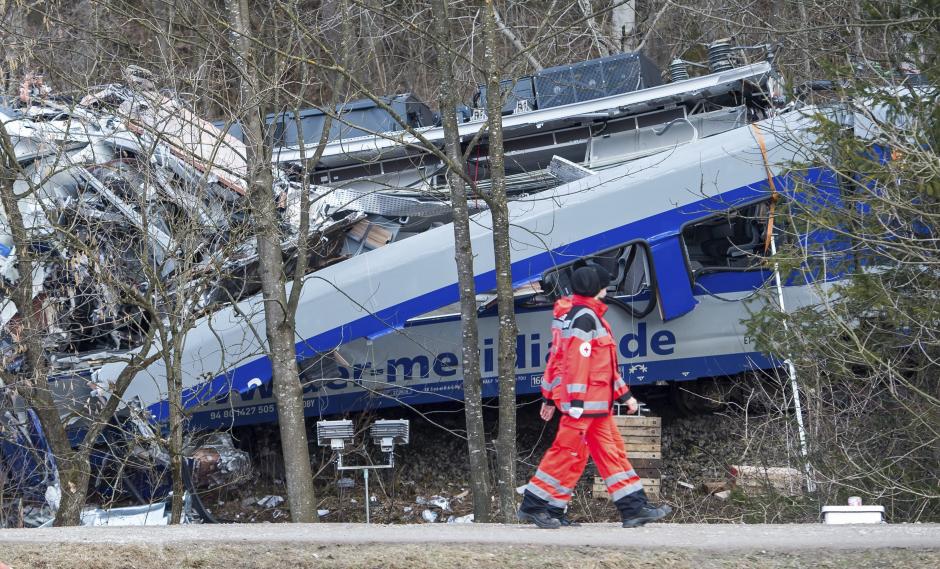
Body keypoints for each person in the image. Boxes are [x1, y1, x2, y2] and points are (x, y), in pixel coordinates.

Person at [518, 265, 673, 529]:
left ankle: (632, 508)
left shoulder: (589, 316)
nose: (608, 286)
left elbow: (606, 367)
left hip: (596, 405)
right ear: (597, 287)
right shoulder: (584, 318)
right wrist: (575, 402)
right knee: (566, 453)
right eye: (605, 283)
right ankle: (534, 506)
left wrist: (625, 397)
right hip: (585, 404)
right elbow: (575, 362)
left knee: (610, 453)